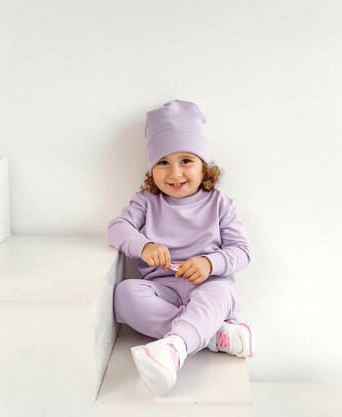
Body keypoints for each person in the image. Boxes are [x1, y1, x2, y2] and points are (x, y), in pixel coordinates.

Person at [107, 99, 254, 396]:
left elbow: (241, 250)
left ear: (204, 166)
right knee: (124, 294)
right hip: (164, 290)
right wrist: (144, 245)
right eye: (163, 162)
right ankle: (211, 335)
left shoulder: (220, 204)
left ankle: (174, 349)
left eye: (186, 160)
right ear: (152, 167)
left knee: (222, 292)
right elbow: (116, 228)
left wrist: (210, 263)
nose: (174, 174)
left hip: (208, 287)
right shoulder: (147, 202)